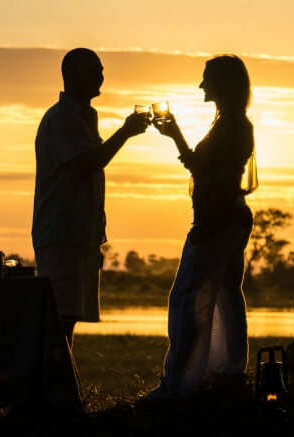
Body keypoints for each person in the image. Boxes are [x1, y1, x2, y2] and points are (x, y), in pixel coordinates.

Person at [146, 54, 258, 399]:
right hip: (225, 220)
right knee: (224, 297)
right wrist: (176, 134)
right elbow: (202, 167)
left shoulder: (234, 126)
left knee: (188, 300)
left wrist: (176, 134)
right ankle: (223, 375)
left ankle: (180, 383)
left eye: (206, 78)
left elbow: (207, 174)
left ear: (223, 83)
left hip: (217, 222)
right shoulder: (230, 123)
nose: (201, 85)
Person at [32, 48, 149, 347]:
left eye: (101, 69)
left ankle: (62, 390)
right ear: (72, 75)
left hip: (79, 236)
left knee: (68, 319)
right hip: (61, 236)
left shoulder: (85, 118)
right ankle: (57, 391)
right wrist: (125, 132)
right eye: (94, 70)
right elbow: (86, 166)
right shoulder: (61, 120)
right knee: (59, 321)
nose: (101, 76)